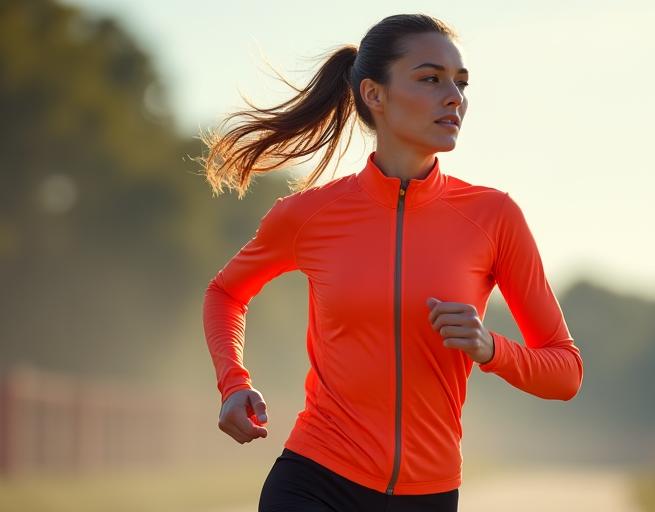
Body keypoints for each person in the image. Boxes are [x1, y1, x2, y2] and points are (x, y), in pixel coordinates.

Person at [200, 13, 584, 512]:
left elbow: (565, 372)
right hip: (316, 477)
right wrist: (233, 383)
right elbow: (226, 292)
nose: (454, 97)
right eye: (431, 79)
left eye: (461, 83)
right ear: (374, 95)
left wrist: (489, 348)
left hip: (428, 494)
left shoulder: (494, 217)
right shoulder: (309, 215)